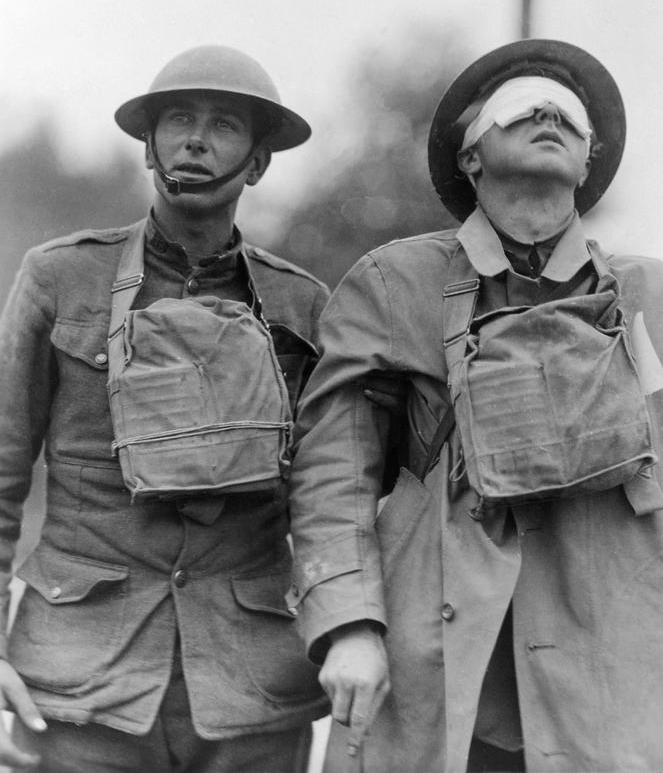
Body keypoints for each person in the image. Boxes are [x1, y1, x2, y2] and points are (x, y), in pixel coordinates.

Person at [287, 39, 663, 772]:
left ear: (587, 161)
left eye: (569, 115)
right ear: (469, 155)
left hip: (609, 674)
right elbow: (333, 473)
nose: (549, 113)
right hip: (434, 663)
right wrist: (349, 625)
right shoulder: (394, 285)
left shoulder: (648, 294)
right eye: (520, 107)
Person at [0, 45, 333, 772]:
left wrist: (346, 632)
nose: (195, 138)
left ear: (257, 163)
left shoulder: (301, 304)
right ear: (149, 147)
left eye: (223, 124)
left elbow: (330, 495)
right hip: (81, 679)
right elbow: (0, 471)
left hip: (252, 691)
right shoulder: (61, 277)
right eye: (178, 119)